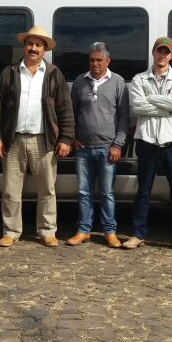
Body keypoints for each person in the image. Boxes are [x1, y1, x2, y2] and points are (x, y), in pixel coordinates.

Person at [0, 25, 74, 248]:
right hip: (13, 139)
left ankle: (47, 231)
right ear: (24, 47)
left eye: (38, 45)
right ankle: (11, 231)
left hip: (44, 141)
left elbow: (65, 109)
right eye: (30, 44)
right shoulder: (10, 72)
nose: (33, 48)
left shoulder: (54, 74)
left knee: (47, 190)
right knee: (10, 190)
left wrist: (66, 139)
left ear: (45, 49)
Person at [123, 37, 172, 252]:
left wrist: (151, 98)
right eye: (159, 51)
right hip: (147, 140)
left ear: (171, 55)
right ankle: (137, 234)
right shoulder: (139, 78)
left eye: (166, 52)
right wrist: (166, 107)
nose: (162, 55)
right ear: (153, 52)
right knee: (143, 191)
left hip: (171, 141)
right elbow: (137, 107)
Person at [66, 42, 129, 248]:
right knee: (84, 192)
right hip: (83, 148)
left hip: (107, 148)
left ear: (107, 61)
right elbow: (71, 113)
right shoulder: (80, 81)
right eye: (92, 60)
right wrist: (73, 137)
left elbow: (124, 117)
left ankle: (110, 231)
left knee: (107, 193)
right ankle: (84, 230)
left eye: (99, 60)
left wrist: (117, 144)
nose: (95, 64)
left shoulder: (118, 82)